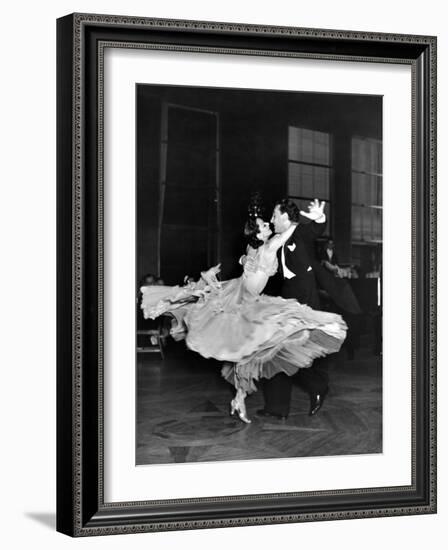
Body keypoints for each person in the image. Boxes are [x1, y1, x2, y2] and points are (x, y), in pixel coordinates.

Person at [141, 214, 346, 424]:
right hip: (241, 301)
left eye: (268, 222)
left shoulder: (256, 247)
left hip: (246, 299)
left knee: (247, 353)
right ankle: (243, 399)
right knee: (252, 347)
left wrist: (245, 259)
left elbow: (248, 257)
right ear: (257, 233)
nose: (268, 224)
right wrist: (300, 219)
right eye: (263, 225)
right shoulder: (269, 246)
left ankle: (239, 399)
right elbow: (288, 231)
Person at [257, 198, 331, 420]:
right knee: (275, 353)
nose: (271, 220)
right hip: (286, 300)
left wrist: (320, 217)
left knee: (288, 354)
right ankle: (277, 407)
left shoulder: (300, 234)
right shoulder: (277, 240)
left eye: (274, 216)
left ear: (285, 218)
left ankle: (317, 386)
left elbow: (315, 229)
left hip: (304, 305)